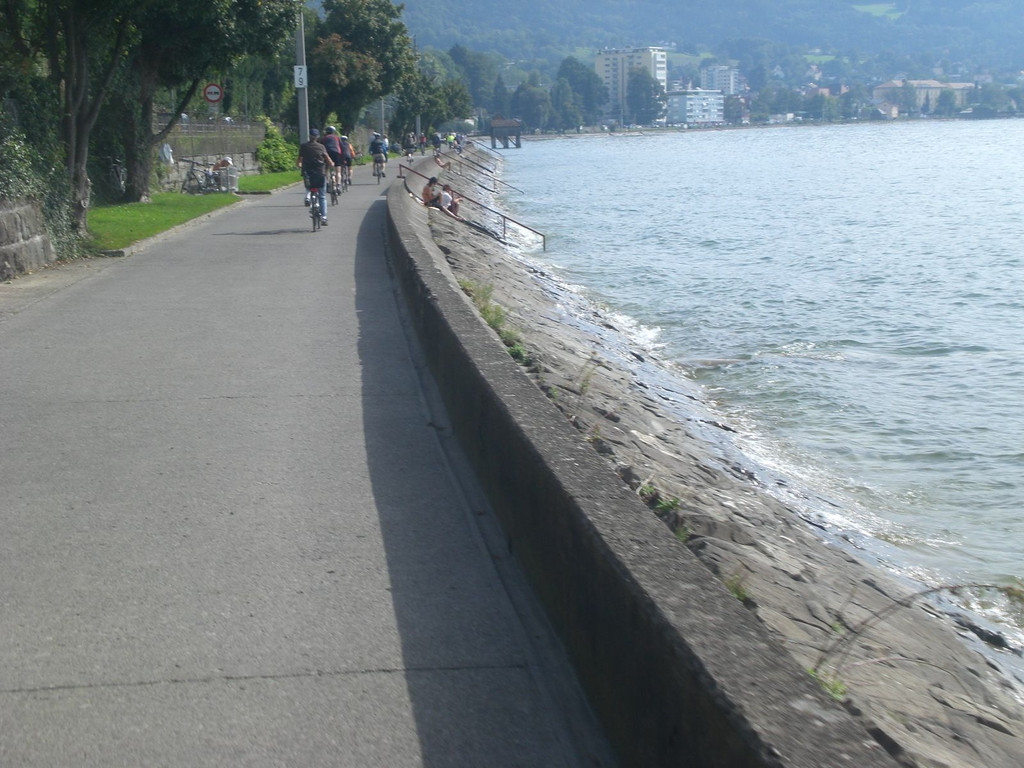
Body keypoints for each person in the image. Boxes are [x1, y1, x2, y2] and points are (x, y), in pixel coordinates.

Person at [297, 128, 333, 225]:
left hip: (307, 172)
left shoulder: (303, 146)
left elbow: (299, 160)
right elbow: (328, 159)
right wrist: (331, 164)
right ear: (317, 137)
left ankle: (308, 196)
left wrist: (300, 165)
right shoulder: (321, 147)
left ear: (309, 136)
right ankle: (324, 218)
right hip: (319, 173)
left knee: (308, 185)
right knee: (322, 196)